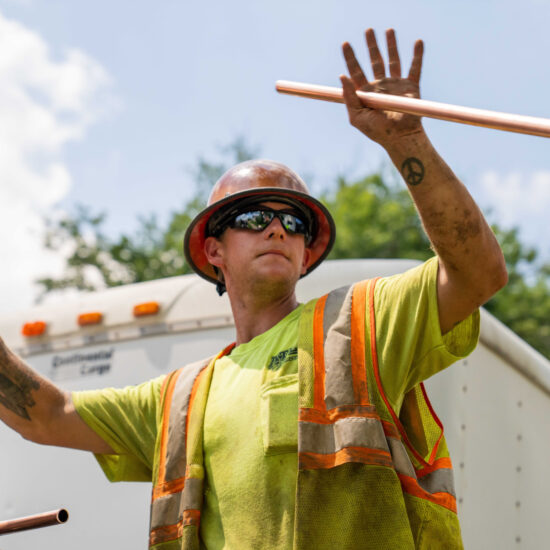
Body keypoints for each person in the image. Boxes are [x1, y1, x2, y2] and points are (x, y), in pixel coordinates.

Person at [0, 28, 506, 550]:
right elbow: (46, 416)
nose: (278, 229)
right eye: (255, 215)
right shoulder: (182, 400)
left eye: (295, 224)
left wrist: (408, 143)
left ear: (308, 253)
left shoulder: (362, 323)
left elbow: (478, 274)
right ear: (213, 250)